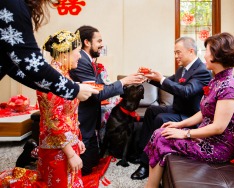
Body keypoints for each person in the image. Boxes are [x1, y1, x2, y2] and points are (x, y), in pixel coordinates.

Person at [144, 32, 234, 188]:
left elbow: (219, 127)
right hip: (205, 138)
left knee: (161, 137)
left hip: (217, 147)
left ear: (217, 55)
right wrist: (178, 125)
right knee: (161, 132)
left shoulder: (229, 86)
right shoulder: (217, 81)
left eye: (207, 51)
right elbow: (204, 112)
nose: (204, 56)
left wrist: (185, 133)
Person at [0, 30, 87, 187]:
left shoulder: (63, 75)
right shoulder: (53, 79)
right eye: (77, 52)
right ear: (65, 53)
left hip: (65, 140)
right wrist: (71, 153)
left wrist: (77, 139)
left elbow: (69, 114)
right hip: (57, 146)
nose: (80, 56)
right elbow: (54, 121)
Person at [130, 37, 212, 180]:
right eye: (174, 52)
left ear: (190, 51)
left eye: (178, 52)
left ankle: (146, 164)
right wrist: (150, 79)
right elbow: (169, 84)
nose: (176, 56)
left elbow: (186, 91)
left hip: (190, 116)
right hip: (178, 110)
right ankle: (142, 153)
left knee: (161, 118)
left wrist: (161, 78)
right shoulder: (182, 69)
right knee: (152, 110)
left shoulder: (202, 70)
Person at [69, 25, 145, 176]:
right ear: (87, 42)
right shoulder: (83, 61)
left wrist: (130, 81)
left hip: (89, 121)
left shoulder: (89, 60)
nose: (102, 44)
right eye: (99, 41)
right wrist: (124, 82)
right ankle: (35, 150)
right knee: (85, 168)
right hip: (81, 120)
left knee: (93, 159)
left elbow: (101, 87)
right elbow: (98, 93)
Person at [0, 0, 97, 102]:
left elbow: (14, 67)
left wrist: (71, 86)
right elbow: (32, 64)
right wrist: (73, 89)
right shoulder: (12, 4)